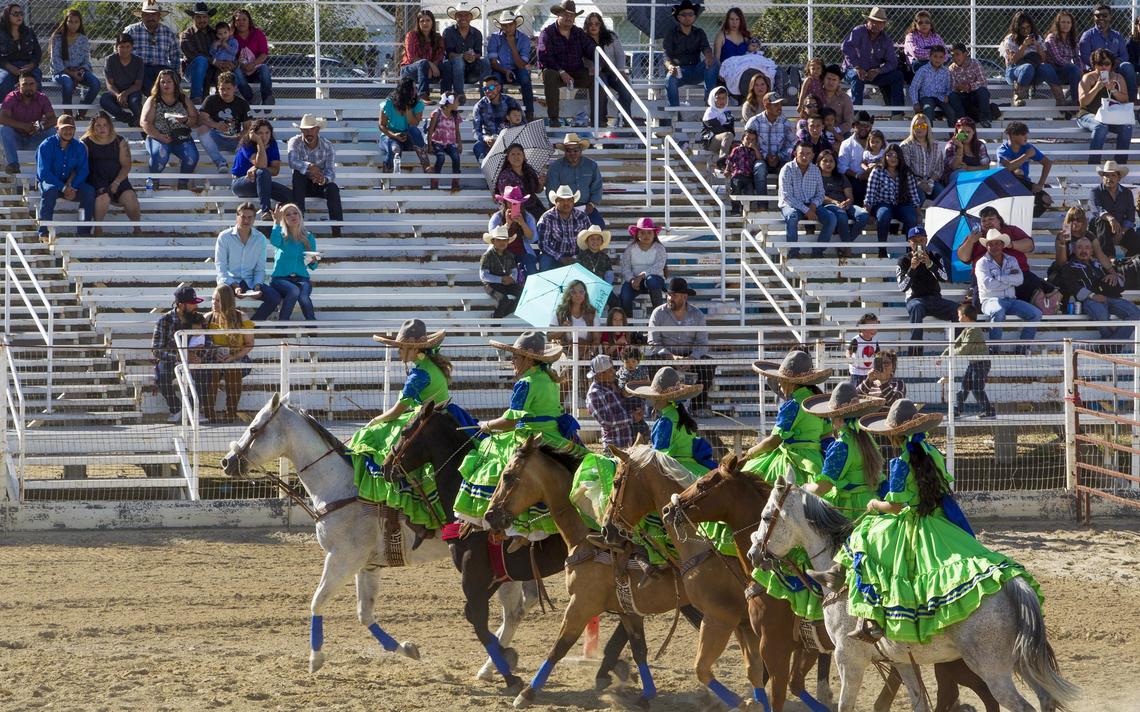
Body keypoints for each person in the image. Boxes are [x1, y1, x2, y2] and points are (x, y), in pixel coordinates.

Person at [838, 399, 1042, 645]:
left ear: (894, 435)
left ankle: (873, 619)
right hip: (939, 519)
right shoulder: (932, 452)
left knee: (865, 539)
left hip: (912, 523)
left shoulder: (900, 463)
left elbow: (894, 506)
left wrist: (873, 505)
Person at [351, 320, 478, 538]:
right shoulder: (431, 365)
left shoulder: (419, 375)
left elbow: (396, 412)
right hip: (443, 417)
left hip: (427, 420)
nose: (398, 351)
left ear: (414, 348)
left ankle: (400, 505)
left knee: (372, 441)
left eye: (401, 347)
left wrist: (373, 422)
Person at [456, 331, 584, 539]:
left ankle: (504, 526)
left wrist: (486, 425)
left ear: (528, 357)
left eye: (515, 356)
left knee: (491, 461)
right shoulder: (548, 379)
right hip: (555, 436)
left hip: (531, 437)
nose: (512, 360)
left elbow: (510, 421)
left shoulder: (525, 383)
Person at [743, 349, 831, 484]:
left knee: (746, 476)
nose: (779, 384)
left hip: (794, 460)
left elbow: (773, 441)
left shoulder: (793, 406)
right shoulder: (816, 401)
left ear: (791, 382)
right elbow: (826, 433)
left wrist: (749, 453)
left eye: (781, 380)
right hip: (815, 461)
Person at [801, 383, 885, 512]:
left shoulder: (841, 446)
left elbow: (822, 488)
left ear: (838, 419)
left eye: (831, 416)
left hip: (851, 509)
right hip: (872, 501)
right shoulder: (867, 438)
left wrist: (803, 488)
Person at [630, 366, 716, 475]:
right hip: (696, 468)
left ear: (662, 398)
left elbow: (659, 456)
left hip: (678, 470)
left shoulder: (665, 421)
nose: (651, 399)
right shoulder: (680, 414)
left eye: (654, 396)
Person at [647, 277, 714, 414]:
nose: (670, 298)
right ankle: (659, 406)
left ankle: (697, 407)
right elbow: (653, 342)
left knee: (708, 366)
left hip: (690, 356)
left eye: (674, 295)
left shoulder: (697, 315)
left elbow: (702, 343)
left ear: (685, 296)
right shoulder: (658, 313)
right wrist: (672, 357)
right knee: (653, 363)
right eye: (669, 294)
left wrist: (692, 358)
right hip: (667, 356)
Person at [1056, 236, 1139, 343]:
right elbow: (1072, 286)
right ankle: (1113, 345)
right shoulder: (1069, 266)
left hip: (1109, 297)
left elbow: (1120, 282)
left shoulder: (1099, 265)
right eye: (1080, 247)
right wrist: (1092, 295)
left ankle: (1111, 344)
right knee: (1101, 314)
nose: (1084, 250)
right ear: (1074, 250)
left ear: (1092, 251)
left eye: (1087, 247)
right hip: (1089, 300)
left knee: (1136, 314)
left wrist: (1114, 276)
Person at [152, 285, 214, 423]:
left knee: (206, 374)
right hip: (171, 361)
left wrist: (198, 357)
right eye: (192, 304)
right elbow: (156, 349)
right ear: (180, 305)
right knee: (161, 376)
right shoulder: (164, 320)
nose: (195, 306)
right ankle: (176, 408)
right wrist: (180, 357)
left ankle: (191, 410)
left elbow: (209, 342)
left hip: (194, 360)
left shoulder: (200, 319)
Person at [214, 201, 281, 321]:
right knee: (224, 295)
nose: (246, 220)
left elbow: (260, 268)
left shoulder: (260, 238)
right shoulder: (224, 236)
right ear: (237, 217)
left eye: (250, 217)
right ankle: (227, 327)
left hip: (249, 281)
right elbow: (221, 267)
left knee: (274, 297)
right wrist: (234, 286)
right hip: (229, 281)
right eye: (243, 217)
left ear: (254, 218)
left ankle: (253, 326)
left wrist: (257, 286)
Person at [975, 230, 1041, 349]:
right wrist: (1010, 281)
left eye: (997, 243)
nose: (994, 246)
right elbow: (988, 285)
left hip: (1010, 300)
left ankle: (1022, 350)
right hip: (989, 301)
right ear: (987, 246)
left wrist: (999, 278)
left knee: (1036, 314)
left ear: (1002, 244)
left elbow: (1020, 280)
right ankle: (994, 351)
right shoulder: (981, 263)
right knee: (998, 312)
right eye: (991, 244)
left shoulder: (1012, 260)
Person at [81, 112, 142, 235]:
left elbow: (126, 165)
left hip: (118, 179)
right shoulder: (85, 142)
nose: (102, 128)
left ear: (110, 126)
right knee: (103, 197)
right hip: (96, 179)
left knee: (130, 196)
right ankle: (98, 229)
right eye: (98, 125)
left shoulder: (119, 141)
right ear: (93, 127)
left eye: (105, 125)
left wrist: (117, 182)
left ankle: (137, 229)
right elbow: (81, 166)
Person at [537, 0, 596, 126]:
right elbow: (544, 56)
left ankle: (598, 119)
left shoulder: (579, 33)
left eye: (572, 15)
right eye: (566, 14)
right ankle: (554, 118)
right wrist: (561, 71)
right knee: (548, 74)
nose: (569, 18)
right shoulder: (547, 33)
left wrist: (597, 64)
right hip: (556, 74)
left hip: (576, 73)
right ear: (558, 14)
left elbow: (591, 49)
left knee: (597, 77)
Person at [35, 114, 94, 239]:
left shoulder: (79, 146)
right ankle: (44, 232)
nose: (68, 131)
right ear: (57, 129)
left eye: (71, 128)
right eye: (64, 128)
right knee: (49, 191)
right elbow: (44, 173)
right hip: (52, 182)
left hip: (71, 184)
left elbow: (83, 170)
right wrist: (63, 188)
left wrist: (72, 186)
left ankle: (83, 230)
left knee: (89, 192)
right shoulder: (46, 145)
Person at [898, 226, 958, 349]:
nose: (918, 243)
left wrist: (930, 264)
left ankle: (957, 348)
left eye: (921, 240)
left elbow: (945, 278)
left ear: (926, 240)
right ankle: (915, 351)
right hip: (915, 300)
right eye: (914, 240)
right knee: (917, 307)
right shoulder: (903, 260)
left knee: (957, 309)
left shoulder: (935, 256)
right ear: (909, 242)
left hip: (935, 299)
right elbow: (902, 287)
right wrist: (912, 268)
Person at [140, 68, 199, 190]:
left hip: (181, 137)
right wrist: (160, 136)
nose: (166, 84)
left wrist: (186, 120)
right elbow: (145, 122)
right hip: (158, 137)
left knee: (192, 157)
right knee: (159, 155)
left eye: (169, 81)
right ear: (158, 84)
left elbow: (195, 119)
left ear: (175, 83)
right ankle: (153, 182)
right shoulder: (153, 100)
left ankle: (183, 184)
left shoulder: (183, 99)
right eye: (163, 82)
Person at [204, 284, 254, 422]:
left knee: (233, 369)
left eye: (218, 300)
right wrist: (214, 353)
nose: (214, 303)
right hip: (215, 357)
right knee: (211, 371)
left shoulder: (241, 317)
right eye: (213, 299)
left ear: (227, 301)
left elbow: (249, 344)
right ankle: (209, 412)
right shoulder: (207, 318)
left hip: (238, 356)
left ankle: (231, 411)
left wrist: (233, 356)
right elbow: (202, 343)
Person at [287, 113, 343, 234]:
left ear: (317, 129)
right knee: (298, 176)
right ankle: (299, 223)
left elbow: (330, 172)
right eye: (305, 130)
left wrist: (323, 179)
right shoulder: (295, 141)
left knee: (332, 188)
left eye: (311, 129)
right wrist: (310, 167)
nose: (308, 133)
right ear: (301, 130)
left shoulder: (328, 145)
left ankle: (336, 229)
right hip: (301, 185)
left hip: (318, 184)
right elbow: (292, 162)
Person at [1077, 49, 1134, 166]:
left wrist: (1112, 90)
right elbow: (1083, 102)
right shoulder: (1087, 78)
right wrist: (1097, 87)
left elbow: (1125, 100)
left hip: (1110, 116)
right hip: (1087, 115)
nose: (1103, 67)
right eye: (1099, 63)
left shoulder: (1118, 78)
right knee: (1100, 126)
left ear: (1112, 65)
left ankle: (1119, 165)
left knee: (1127, 127)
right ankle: (1093, 164)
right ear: (1094, 65)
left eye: (1107, 64)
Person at [841, 7, 905, 108]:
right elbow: (846, 47)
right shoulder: (859, 31)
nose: (876, 25)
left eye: (880, 22)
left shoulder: (886, 40)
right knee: (857, 76)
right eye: (873, 21)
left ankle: (897, 113)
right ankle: (856, 114)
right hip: (852, 70)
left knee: (897, 76)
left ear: (884, 25)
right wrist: (857, 67)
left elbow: (892, 62)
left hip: (872, 74)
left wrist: (878, 71)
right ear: (868, 21)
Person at [779, 142, 834, 258]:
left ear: (813, 156)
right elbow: (787, 196)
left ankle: (818, 251)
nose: (804, 157)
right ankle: (793, 253)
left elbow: (820, 193)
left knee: (831, 218)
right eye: (801, 153)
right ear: (795, 154)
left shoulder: (815, 170)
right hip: (791, 204)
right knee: (792, 216)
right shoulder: (787, 169)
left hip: (811, 204)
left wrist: (813, 206)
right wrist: (807, 210)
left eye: (808, 154)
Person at [938, 303, 994, 418]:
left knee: (977, 388)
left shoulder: (974, 330)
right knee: (964, 387)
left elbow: (964, 349)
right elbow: (955, 344)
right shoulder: (966, 330)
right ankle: (957, 410)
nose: (958, 319)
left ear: (966, 317)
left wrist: (951, 354)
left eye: (959, 316)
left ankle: (989, 411)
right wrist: (943, 356)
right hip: (973, 363)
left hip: (981, 363)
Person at [865, 143, 921, 253]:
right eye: (890, 155)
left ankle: (911, 252)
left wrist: (918, 213)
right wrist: (868, 212)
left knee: (911, 217)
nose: (893, 158)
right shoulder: (878, 170)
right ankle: (882, 250)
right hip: (882, 203)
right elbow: (870, 194)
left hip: (902, 204)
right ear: (885, 157)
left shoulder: (906, 172)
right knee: (884, 214)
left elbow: (914, 194)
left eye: (896, 155)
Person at [662, 0, 717, 109]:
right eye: (684, 14)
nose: (687, 17)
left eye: (690, 14)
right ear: (678, 17)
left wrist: (708, 56)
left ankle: (709, 103)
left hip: (696, 70)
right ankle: (674, 112)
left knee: (714, 62)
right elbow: (666, 55)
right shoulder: (671, 33)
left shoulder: (699, 32)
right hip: (679, 71)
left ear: (694, 16)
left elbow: (706, 48)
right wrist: (670, 67)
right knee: (669, 79)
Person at [1002, 11, 1065, 107]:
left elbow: (1044, 59)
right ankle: (1018, 97)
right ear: (1017, 28)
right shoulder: (1010, 39)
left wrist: (1037, 45)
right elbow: (1013, 61)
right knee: (1027, 67)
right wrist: (1023, 45)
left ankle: (1060, 99)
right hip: (1015, 72)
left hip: (1034, 72)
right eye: (1022, 28)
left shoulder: (1037, 38)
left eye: (1028, 27)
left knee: (1047, 67)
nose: (1026, 31)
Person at [231, 119, 290, 218]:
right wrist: (259, 142)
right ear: (254, 134)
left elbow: (275, 170)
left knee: (290, 196)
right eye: (260, 133)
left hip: (262, 183)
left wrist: (256, 168)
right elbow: (262, 165)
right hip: (241, 183)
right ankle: (265, 211)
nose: (264, 136)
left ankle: (274, 214)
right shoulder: (247, 143)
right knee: (262, 172)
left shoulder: (272, 144)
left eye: (267, 133)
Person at [268, 203, 318, 321]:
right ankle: (282, 326)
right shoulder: (281, 235)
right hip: (280, 279)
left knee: (303, 296)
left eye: (295, 213)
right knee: (294, 290)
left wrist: (313, 260)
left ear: (300, 216)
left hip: (302, 278)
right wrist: (276, 222)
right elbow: (274, 242)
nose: (292, 216)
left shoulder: (308, 237)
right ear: (283, 219)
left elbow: (313, 266)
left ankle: (312, 327)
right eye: (288, 214)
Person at [584, 12, 632, 129]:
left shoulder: (610, 36)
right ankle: (601, 120)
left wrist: (620, 71)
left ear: (601, 24)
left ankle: (625, 120)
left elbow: (620, 54)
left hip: (613, 71)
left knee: (625, 90)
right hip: (597, 73)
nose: (593, 26)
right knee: (602, 89)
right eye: (590, 24)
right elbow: (582, 57)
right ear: (587, 25)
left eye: (596, 23)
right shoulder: (583, 39)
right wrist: (590, 66)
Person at [546, 133, 605, 228]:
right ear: (565, 152)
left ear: (581, 150)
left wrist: (592, 204)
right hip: (563, 206)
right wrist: (559, 207)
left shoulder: (591, 165)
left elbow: (597, 187)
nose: (572, 153)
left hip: (586, 206)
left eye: (575, 150)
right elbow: (551, 189)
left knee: (599, 225)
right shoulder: (555, 167)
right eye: (568, 151)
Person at [1079, 4, 1137, 100]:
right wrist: (1102, 65)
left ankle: (1132, 103)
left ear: (1110, 17)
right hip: (1096, 70)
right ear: (1094, 17)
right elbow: (1085, 57)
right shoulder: (1087, 36)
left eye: (1105, 15)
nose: (1101, 18)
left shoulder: (1117, 35)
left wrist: (1112, 64)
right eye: (1098, 15)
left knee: (1127, 66)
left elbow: (1124, 56)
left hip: (1115, 68)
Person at [0, 71, 54, 174]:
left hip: (35, 136)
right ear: (18, 86)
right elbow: (2, 118)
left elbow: (52, 119)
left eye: (31, 84)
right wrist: (23, 126)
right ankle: (13, 164)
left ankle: (47, 164)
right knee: (5, 130)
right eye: (25, 84)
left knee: (52, 131)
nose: (28, 87)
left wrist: (40, 127)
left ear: (36, 85)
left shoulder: (42, 98)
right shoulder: (11, 97)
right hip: (16, 139)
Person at [197, 71, 251, 172]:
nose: (225, 92)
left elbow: (248, 126)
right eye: (222, 89)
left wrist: (241, 137)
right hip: (216, 138)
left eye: (228, 89)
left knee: (252, 138)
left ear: (235, 88)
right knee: (202, 129)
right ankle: (220, 162)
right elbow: (201, 119)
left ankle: (242, 169)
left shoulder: (242, 104)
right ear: (218, 88)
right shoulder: (211, 100)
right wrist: (216, 125)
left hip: (235, 139)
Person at [744, 92, 794, 197]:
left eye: (780, 104)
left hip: (781, 159)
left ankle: (785, 201)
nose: (779, 107)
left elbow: (792, 145)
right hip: (758, 158)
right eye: (776, 104)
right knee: (760, 168)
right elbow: (747, 144)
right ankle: (762, 203)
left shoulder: (785, 123)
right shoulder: (754, 122)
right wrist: (765, 156)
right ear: (766, 105)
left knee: (788, 168)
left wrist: (779, 156)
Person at [486, 11, 535, 121]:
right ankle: (498, 112)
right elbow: (493, 63)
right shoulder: (494, 37)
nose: (508, 28)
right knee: (495, 80)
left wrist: (512, 45)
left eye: (510, 24)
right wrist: (505, 71)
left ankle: (529, 112)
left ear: (515, 24)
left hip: (518, 69)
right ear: (501, 26)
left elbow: (521, 65)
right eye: (505, 25)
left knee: (525, 78)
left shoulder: (524, 39)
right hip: (500, 70)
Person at [997, 122, 1054, 215]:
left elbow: (1047, 163)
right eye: (1023, 134)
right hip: (1006, 184)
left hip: (1024, 183)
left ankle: (1025, 220)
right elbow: (1008, 167)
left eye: (1026, 134)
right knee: (1018, 172)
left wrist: (1040, 184)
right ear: (1012, 135)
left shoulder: (1027, 147)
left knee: (1046, 200)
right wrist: (1026, 155)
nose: (1026, 137)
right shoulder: (1003, 150)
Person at [49, 9, 99, 113]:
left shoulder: (83, 39)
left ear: (80, 23)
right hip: (62, 72)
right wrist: (71, 73)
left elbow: (86, 60)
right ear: (65, 22)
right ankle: (68, 114)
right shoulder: (57, 38)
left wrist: (80, 70)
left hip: (79, 71)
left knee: (96, 83)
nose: (73, 25)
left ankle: (82, 110)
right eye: (70, 21)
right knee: (67, 82)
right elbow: (56, 60)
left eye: (76, 22)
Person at [818, 149, 869, 251]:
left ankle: (846, 243)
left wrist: (848, 201)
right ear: (819, 162)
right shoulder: (816, 177)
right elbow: (818, 196)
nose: (828, 163)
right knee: (841, 215)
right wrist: (834, 202)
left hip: (845, 205)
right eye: (825, 161)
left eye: (831, 161)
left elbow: (849, 196)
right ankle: (847, 249)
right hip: (828, 205)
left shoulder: (841, 177)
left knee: (863, 216)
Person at [126, 0, 180, 96]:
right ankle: (156, 100)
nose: (150, 18)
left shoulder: (167, 32)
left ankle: (158, 100)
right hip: (140, 66)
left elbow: (175, 55)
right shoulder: (131, 30)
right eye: (147, 15)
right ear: (142, 16)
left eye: (153, 15)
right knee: (143, 75)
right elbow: (120, 51)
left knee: (168, 78)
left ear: (159, 16)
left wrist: (174, 73)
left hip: (161, 67)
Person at [1088, 160, 1140, 257]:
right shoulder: (1095, 192)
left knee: (1137, 242)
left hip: (1120, 229)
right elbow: (1096, 209)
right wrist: (1110, 218)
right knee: (1102, 221)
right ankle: (1108, 261)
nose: (1109, 178)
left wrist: (1122, 232)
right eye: (1106, 175)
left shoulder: (1127, 193)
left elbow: (1131, 216)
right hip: (1099, 231)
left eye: (1113, 175)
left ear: (1119, 178)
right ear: (1102, 177)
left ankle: (1129, 265)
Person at [378, 76, 428, 174]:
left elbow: (414, 124)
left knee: (414, 130)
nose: (416, 91)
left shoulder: (418, 104)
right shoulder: (388, 103)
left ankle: (425, 162)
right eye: (413, 88)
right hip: (390, 136)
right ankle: (387, 172)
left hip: (407, 138)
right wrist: (394, 135)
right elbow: (381, 125)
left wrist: (408, 108)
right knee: (394, 147)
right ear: (405, 91)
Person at [442, 3, 490, 104]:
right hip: (454, 70)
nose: (463, 18)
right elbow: (449, 53)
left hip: (471, 71)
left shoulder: (477, 33)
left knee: (485, 60)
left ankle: (486, 97)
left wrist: (473, 57)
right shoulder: (448, 32)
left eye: (466, 15)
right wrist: (463, 56)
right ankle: (459, 96)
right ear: (456, 17)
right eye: (460, 15)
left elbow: (478, 53)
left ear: (471, 17)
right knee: (458, 60)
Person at [489, 184, 540, 277]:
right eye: (511, 202)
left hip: (523, 253)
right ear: (505, 202)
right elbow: (492, 238)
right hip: (502, 253)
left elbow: (532, 238)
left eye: (516, 202)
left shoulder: (527, 217)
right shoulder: (497, 217)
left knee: (531, 272)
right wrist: (507, 224)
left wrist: (522, 223)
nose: (513, 205)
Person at [620, 217, 667, 316]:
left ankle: (659, 317)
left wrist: (642, 276)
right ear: (637, 234)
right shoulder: (630, 249)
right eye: (642, 232)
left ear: (654, 234)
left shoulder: (660, 248)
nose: (646, 235)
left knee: (651, 280)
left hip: (655, 280)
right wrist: (632, 279)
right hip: (635, 282)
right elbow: (626, 268)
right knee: (625, 294)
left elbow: (659, 266)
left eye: (649, 232)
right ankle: (629, 328)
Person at [586, 354, 634, 451]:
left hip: (626, 442)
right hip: (614, 447)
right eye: (610, 370)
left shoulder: (612, 384)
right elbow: (607, 421)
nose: (614, 372)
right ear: (601, 374)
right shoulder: (594, 394)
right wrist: (632, 417)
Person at [537, 185, 592, 270]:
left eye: (569, 200)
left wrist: (578, 257)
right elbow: (543, 244)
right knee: (545, 262)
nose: (566, 203)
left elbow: (590, 238)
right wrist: (561, 258)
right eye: (562, 200)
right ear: (556, 202)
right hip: (553, 256)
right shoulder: (547, 218)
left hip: (577, 255)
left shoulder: (582, 216)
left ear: (573, 201)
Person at [399, 9, 448, 102]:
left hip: (430, 72)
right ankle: (423, 95)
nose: (425, 23)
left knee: (447, 65)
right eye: (422, 21)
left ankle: (446, 97)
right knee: (423, 63)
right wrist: (429, 64)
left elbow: (440, 56)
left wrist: (432, 66)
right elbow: (411, 57)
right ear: (418, 23)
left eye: (428, 20)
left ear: (432, 22)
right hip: (409, 70)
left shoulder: (438, 38)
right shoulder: (411, 35)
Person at [471, 74, 521, 162]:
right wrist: (485, 138)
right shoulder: (479, 106)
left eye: (490, 88)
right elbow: (476, 130)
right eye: (484, 89)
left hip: (510, 139)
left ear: (498, 88)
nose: (487, 91)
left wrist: (510, 136)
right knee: (478, 147)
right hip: (490, 140)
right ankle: (488, 173)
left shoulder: (510, 101)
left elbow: (523, 122)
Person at [230, 8, 274, 106]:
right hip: (240, 70)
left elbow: (264, 54)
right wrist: (240, 65)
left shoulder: (257, 33)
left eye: (244, 19)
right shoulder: (232, 37)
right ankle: (251, 98)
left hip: (255, 69)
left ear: (249, 21)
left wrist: (253, 64)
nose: (241, 22)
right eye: (238, 20)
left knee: (265, 68)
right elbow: (228, 55)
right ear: (234, 23)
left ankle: (267, 97)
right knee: (235, 71)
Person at [100, 34, 145, 127]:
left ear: (132, 47)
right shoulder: (110, 60)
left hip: (132, 91)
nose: (125, 50)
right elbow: (110, 84)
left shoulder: (138, 61)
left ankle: (145, 132)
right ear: (116, 47)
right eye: (122, 47)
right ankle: (129, 119)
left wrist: (125, 94)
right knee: (104, 100)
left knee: (135, 103)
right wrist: (118, 95)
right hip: (116, 92)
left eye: (128, 47)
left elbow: (137, 85)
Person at [494, 143, 546, 222]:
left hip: (534, 206)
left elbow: (537, 190)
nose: (516, 157)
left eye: (519, 154)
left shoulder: (529, 170)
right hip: (516, 209)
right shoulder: (504, 176)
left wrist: (541, 184)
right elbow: (506, 199)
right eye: (513, 154)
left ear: (524, 156)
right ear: (508, 158)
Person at [900, 114, 945, 201]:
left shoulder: (936, 145)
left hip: (931, 180)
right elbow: (905, 169)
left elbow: (939, 168)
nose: (919, 128)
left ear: (928, 127)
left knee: (943, 195)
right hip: (912, 182)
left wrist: (931, 182)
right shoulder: (906, 145)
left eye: (923, 125)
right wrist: (920, 183)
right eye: (917, 125)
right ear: (912, 127)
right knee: (920, 197)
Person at [480, 225, 522, 318]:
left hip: (506, 282)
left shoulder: (510, 255)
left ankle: (498, 316)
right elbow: (483, 275)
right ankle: (495, 321)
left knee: (523, 295)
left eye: (504, 240)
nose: (502, 243)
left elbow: (514, 270)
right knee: (504, 300)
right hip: (491, 284)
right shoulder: (487, 256)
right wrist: (501, 279)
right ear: (493, 241)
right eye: (498, 240)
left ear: (507, 242)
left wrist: (512, 279)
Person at [179, 2, 217, 104]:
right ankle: (195, 98)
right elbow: (192, 55)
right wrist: (213, 61)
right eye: (198, 17)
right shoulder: (186, 34)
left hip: (213, 69)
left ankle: (222, 102)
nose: (202, 20)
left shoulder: (215, 34)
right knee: (201, 60)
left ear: (208, 18)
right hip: (192, 70)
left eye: (204, 17)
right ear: (193, 18)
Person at [909, 45, 955, 128]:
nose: (938, 59)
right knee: (928, 110)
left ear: (944, 58)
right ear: (930, 57)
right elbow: (914, 88)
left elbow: (949, 87)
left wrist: (947, 95)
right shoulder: (923, 70)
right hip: (927, 97)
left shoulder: (946, 72)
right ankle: (929, 138)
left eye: (941, 57)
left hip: (941, 97)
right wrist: (915, 102)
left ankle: (953, 137)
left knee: (951, 112)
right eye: (935, 56)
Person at [0, 3, 40, 98]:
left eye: (21, 13)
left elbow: (37, 52)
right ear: (7, 16)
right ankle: (4, 110)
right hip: (7, 66)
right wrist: (9, 66)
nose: (19, 16)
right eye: (15, 13)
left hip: (27, 65)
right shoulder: (1, 33)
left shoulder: (29, 32)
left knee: (35, 83)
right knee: (4, 83)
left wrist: (32, 65)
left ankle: (34, 111)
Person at [948, 43, 993, 127]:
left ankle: (985, 119)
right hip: (962, 97)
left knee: (983, 91)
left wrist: (969, 86)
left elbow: (983, 82)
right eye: (953, 55)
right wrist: (958, 88)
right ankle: (962, 121)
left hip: (974, 96)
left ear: (965, 54)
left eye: (957, 54)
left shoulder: (975, 63)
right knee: (952, 95)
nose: (955, 58)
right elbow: (952, 86)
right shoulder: (951, 68)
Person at [1044, 11, 1083, 107]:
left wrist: (1081, 70)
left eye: (1068, 22)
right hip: (1055, 72)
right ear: (1058, 23)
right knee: (1074, 69)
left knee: (1081, 72)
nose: (1066, 25)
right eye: (1063, 22)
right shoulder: (1051, 38)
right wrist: (1075, 68)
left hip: (1068, 72)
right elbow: (1057, 59)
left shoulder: (1072, 39)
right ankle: (1076, 101)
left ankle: (1082, 101)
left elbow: (1076, 57)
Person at [550, 279, 599, 352]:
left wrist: (590, 353)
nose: (578, 295)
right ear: (569, 295)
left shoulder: (592, 312)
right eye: (574, 292)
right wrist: (563, 329)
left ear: (585, 293)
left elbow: (597, 338)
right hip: (566, 356)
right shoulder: (560, 313)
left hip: (587, 356)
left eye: (581, 292)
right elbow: (549, 336)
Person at [426, 93, 462, 191]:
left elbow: (457, 131)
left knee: (456, 157)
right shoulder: (437, 113)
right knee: (441, 157)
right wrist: (429, 145)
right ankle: (435, 181)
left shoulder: (455, 115)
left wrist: (459, 144)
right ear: (450, 102)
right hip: (436, 141)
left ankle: (455, 182)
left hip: (450, 142)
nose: (458, 103)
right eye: (456, 101)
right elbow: (430, 130)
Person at [838, 111, 874, 205]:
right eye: (860, 125)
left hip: (875, 178)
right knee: (857, 187)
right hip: (855, 178)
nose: (864, 128)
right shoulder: (846, 144)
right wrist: (858, 176)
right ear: (853, 127)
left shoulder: (879, 141)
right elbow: (842, 167)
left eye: (867, 125)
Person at [725, 128, 762, 213]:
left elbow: (760, 158)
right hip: (737, 175)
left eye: (753, 140)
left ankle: (745, 210)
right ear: (742, 139)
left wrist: (755, 148)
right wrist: (727, 170)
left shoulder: (754, 151)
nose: (750, 141)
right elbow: (730, 160)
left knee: (750, 194)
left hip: (748, 177)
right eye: (748, 139)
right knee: (736, 190)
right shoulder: (737, 149)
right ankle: (735, 210)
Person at [701, 86, 735, 174]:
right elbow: (718, 130)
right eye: (718, 98)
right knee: (728, 135)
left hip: (724, 141)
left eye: (724, 98)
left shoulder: (727, 112)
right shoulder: (710, 112)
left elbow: (731, 129)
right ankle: (721, 161)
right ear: (713, 99)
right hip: (710, 141)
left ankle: (732, 169)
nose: (722, 101)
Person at [818, 65, 854, 137]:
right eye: (828, 79)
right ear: (823, 79)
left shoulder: (845, 99)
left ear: (839, 82)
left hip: (839, 133)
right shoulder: (816, 95)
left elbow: (848, 122)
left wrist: (835, 131)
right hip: (818, 132)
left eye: (834, 80)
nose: (831, 82)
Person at [847, 313, 880, 386]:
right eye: (870, 326)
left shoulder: (875, 340)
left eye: (875, 326)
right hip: (857, 372)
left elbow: (878, 354)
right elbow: (849, 351)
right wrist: (849, 358)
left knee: (870, 391)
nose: (873, 329)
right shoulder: (856, 340)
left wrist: (879, 368)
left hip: (870, 372)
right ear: (862, 328)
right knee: (857, 392)